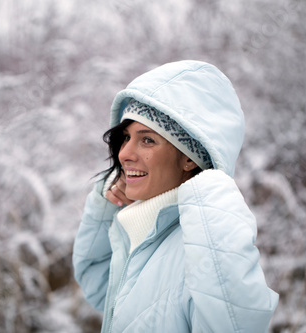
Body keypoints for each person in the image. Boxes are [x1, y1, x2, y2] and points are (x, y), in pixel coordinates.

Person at [72, 60, 278, 332]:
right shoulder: (142, 233)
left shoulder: (201, 244)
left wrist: (210, 190)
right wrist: (106, 205)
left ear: (190, 158)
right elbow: (97, 285)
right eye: (125, 138)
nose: (123, 154)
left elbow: (236, 324)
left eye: (147, 140)